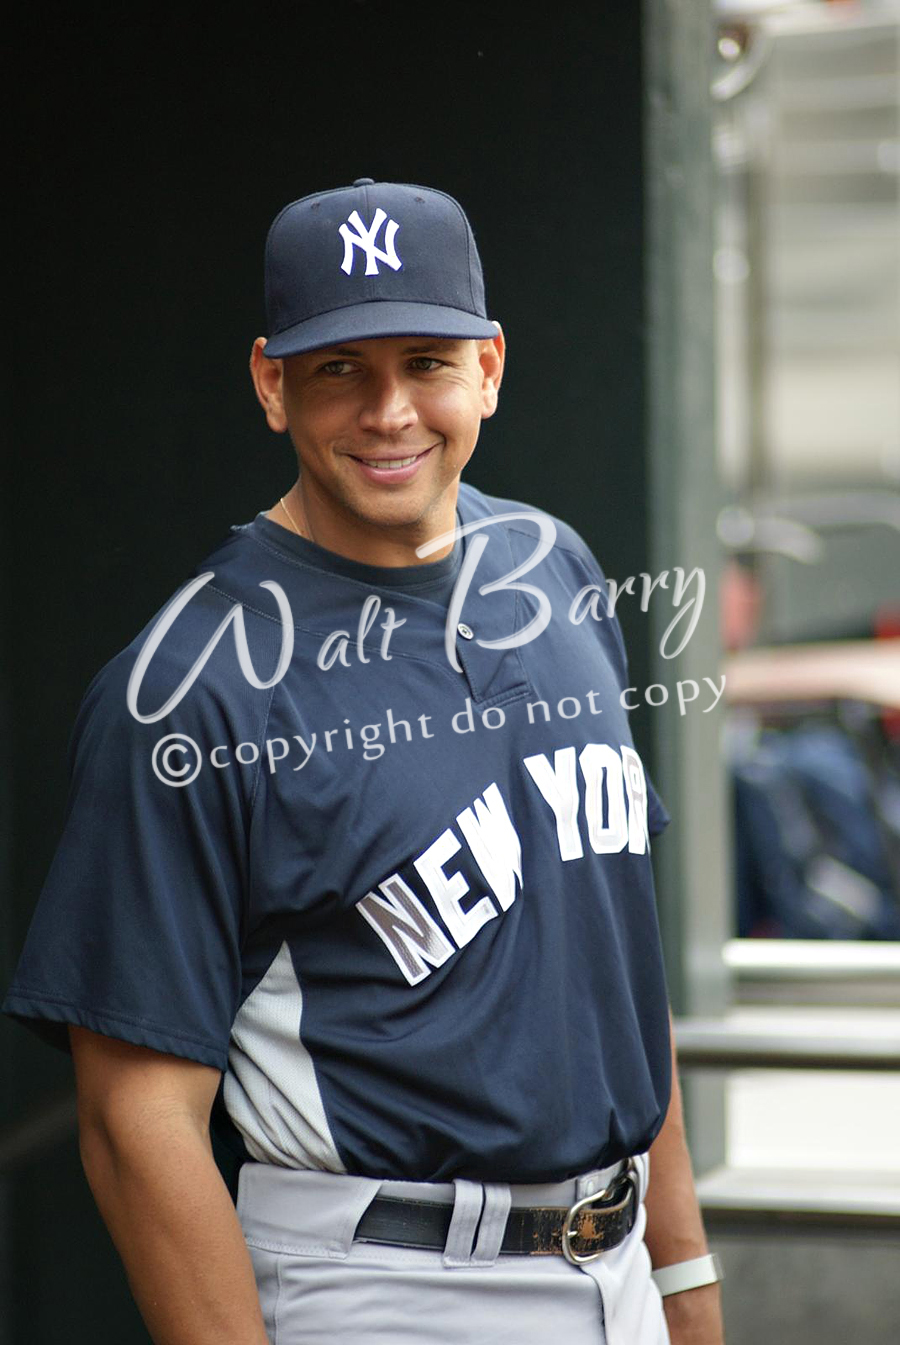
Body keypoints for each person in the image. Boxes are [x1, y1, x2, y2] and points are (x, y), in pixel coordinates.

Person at [2, 178, 724, 1344]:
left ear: (489, 367)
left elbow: (619, 970)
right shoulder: (188, 689)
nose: (389, 412)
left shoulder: (557, 569)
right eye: (340, 368)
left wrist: (685, 1283)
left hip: (620, 1264)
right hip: (383, 1284)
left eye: (426, 362)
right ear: (270, 382)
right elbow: (135, 1123)